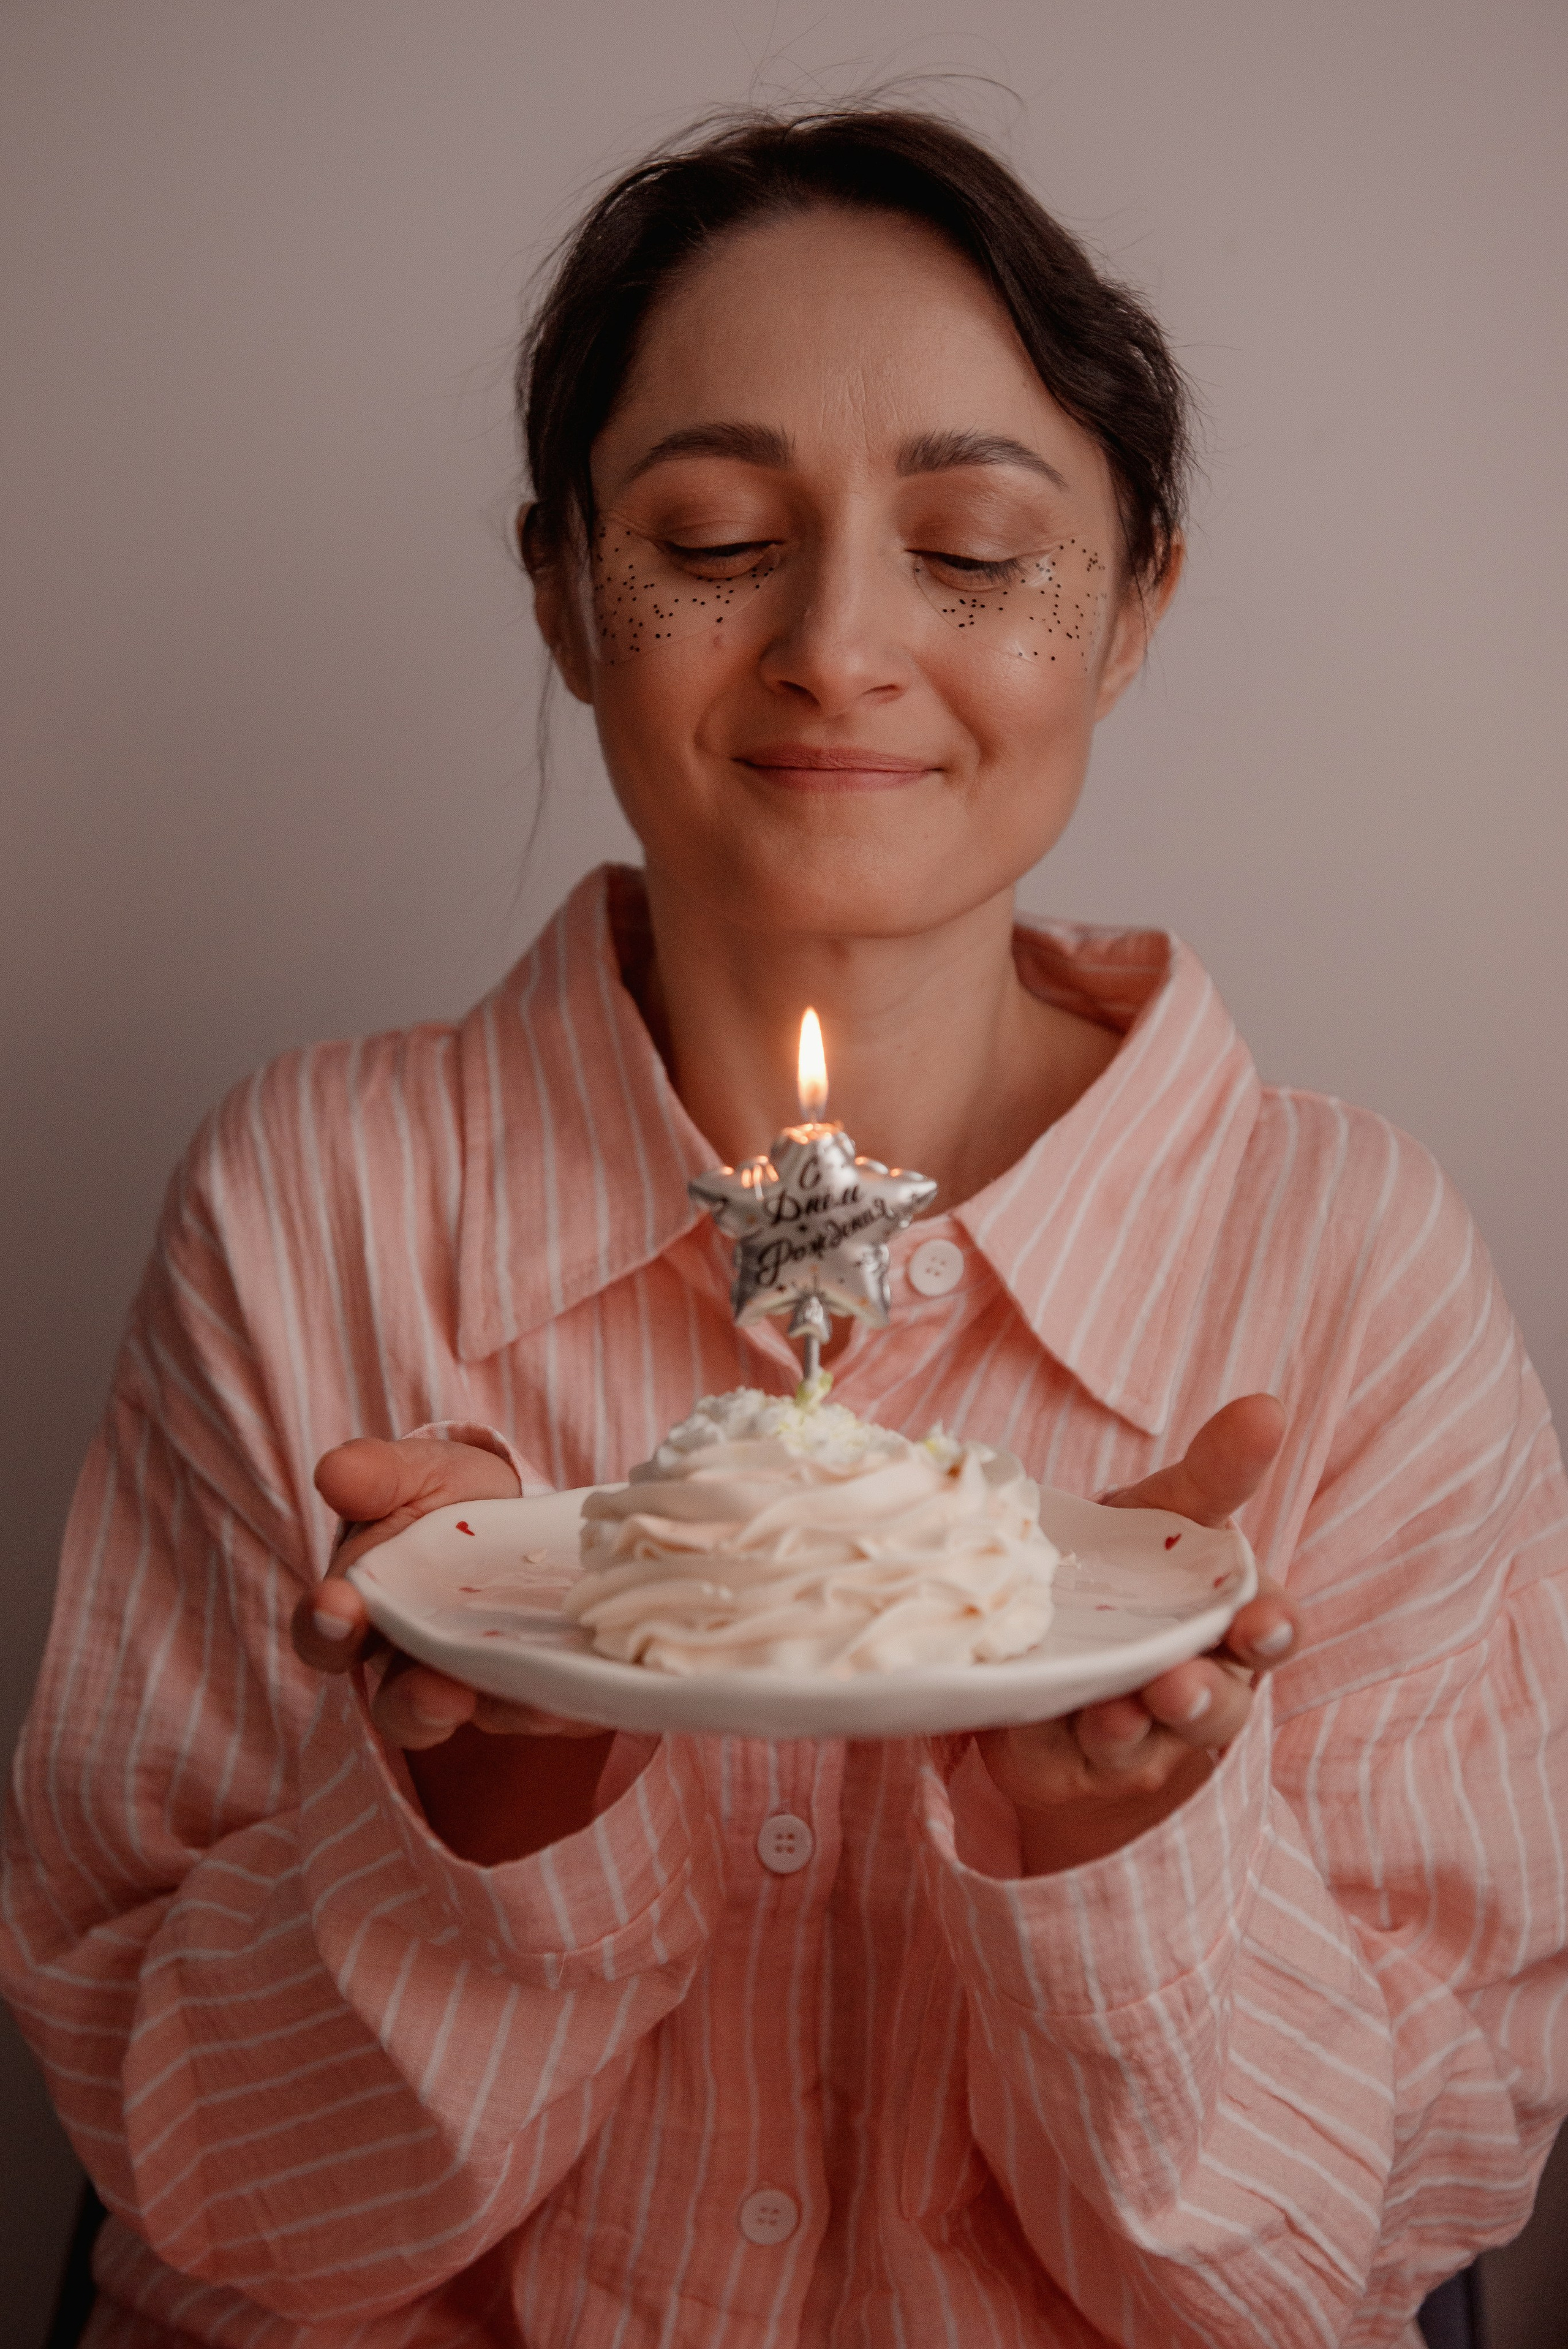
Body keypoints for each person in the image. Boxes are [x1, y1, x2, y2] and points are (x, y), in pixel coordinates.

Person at [3, 105, 1564, 2349]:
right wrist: (502, 1796)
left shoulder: (1345, 1269)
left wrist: (1116, 1852)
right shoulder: (312, 1209)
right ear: (560, 588)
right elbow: (217, 2195)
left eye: (973, 547)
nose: (841, 644)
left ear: (1133, 608)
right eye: (720, 534)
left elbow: (1356, 2249)